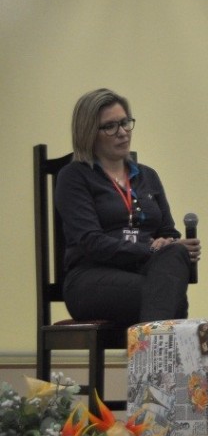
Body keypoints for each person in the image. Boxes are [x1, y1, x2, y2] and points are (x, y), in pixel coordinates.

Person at [55, 89, 199, 325]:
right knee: (169, 296)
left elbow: (168, 233)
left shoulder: (148, 176)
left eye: (125, 123)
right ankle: (155, 358)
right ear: (89, 133)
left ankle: (148, 358)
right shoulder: (74, 176)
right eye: (110, 126)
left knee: (176, 254)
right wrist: (150, 249)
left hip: (145, 272)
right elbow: (92, 242)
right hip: (91, 278)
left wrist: (169, 243)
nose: (122, 132)